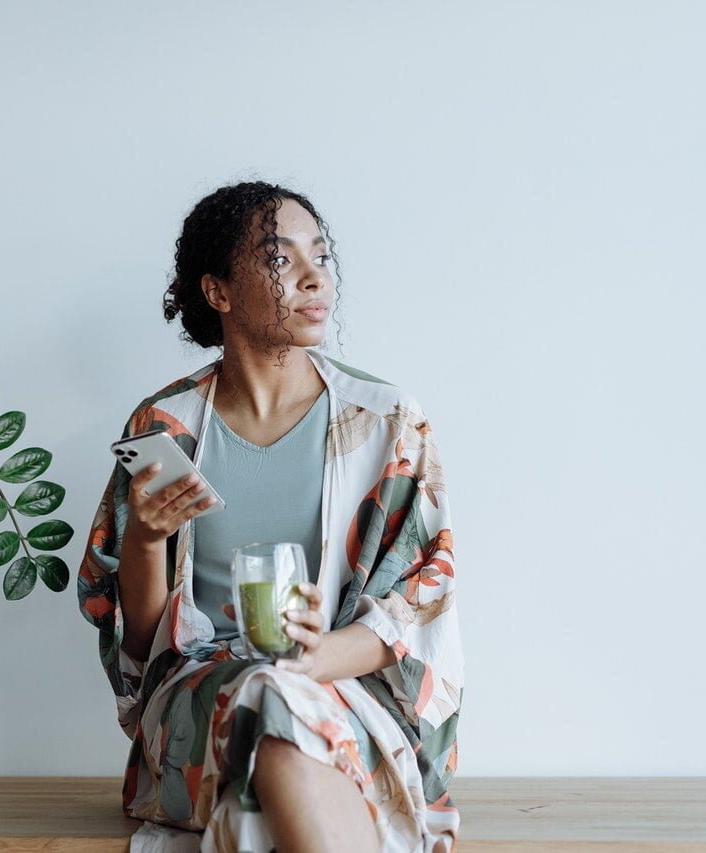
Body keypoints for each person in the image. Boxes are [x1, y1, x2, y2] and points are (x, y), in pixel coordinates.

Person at [77, 180, 464, 853]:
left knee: (274, 723)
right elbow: (140, 645)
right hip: (199, 706)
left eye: (321, 254)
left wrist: (315, 658)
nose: (316, 276)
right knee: (269, 693)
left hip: (346, 692)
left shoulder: (387, 423)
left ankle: (247, 810)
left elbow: (419, 606)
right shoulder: (163, 427)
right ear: (218, 292)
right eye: (282, 259)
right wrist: (144, 538)